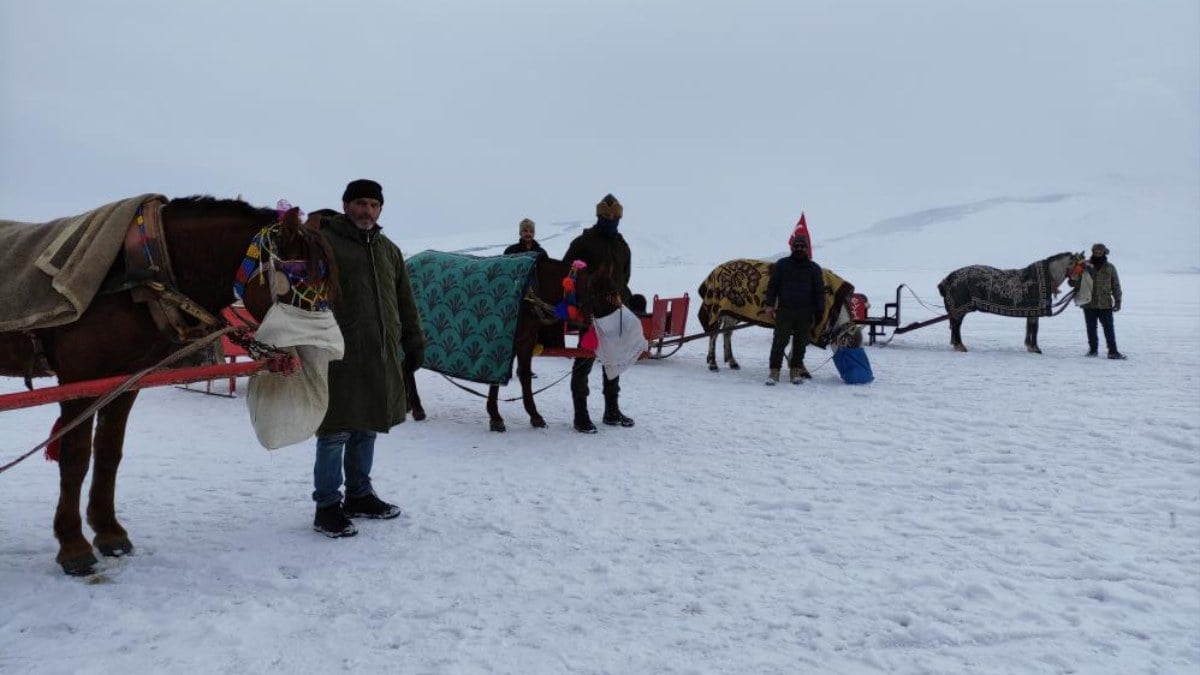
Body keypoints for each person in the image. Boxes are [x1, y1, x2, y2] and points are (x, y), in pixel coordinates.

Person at [311, 179, 426, 537]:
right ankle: (327, 505)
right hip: (338, 354)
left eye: (374, 205)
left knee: (367, 427)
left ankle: (359, 495)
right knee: (334, 431)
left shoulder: (389, 250)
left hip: (379, 353)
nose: (367, 211)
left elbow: (405, 300)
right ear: (346, 205)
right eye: (360, 203)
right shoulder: (325, 244)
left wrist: (414, 339)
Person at [563, 194, 634, 433]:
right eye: (606, 216)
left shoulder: (622, 246)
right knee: (584, 361)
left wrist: (620, 298)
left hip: (614, 312)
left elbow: (625, 277)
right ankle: (580, 415)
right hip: (589, 313)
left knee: (613, 360)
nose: (610, 219)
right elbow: (567, 274)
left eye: (614, 217)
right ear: (598, 215)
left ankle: (611, 410)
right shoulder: (583, 242)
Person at [762, 236, 825, 385]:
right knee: (779, 341)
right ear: (792, 247)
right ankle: (774, 372)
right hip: (785, 310)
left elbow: (819, 292)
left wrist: (819, 311)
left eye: (802, 247)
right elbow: (773, 286)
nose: (799, 249)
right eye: (796, 246)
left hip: (805, 312)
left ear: (807, 249)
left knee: (800, 343)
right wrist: (769, 304)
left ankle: (795, 371)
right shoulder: (782, 265)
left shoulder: (814, 268)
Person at [1079, 242, 1125, 359]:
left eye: (1100, 250)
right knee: (1091, 328)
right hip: (1088, 303)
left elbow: (1116, 285)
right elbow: (1074, 282)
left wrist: (1118, 301)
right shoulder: (1085, 266)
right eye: (1096, 250)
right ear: (1092, 251)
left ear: (1104, 252)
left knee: (1109, 328)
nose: (1098, 252)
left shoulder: (1110, 268)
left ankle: (1113, 351)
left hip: (1105, 304)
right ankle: (1093, 350)